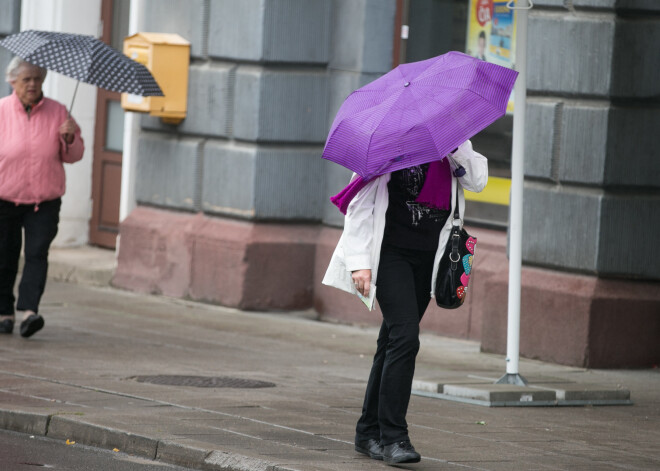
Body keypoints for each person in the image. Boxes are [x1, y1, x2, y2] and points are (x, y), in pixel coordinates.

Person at [323, 141, 488, 465]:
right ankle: (394, 437)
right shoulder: (386, 143)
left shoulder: (453, 143)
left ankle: (367, 431)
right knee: (405, 337)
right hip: (389, 254)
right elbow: (360, 204)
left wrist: (455, 149)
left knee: (391, 342)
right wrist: (359, 263)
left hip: (431, 257)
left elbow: (478, 180)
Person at [0, 57, 84, 338]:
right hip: (5, 198)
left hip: (43, 201)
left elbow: (73, 156)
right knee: (4, 257)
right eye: (26, 80)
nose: (33, 84)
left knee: (37, 254)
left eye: (37, 78)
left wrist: (70, 139)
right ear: (12, 81)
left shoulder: (59, 113)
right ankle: (4, 313)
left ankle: (29, 312)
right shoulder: (1, 111)